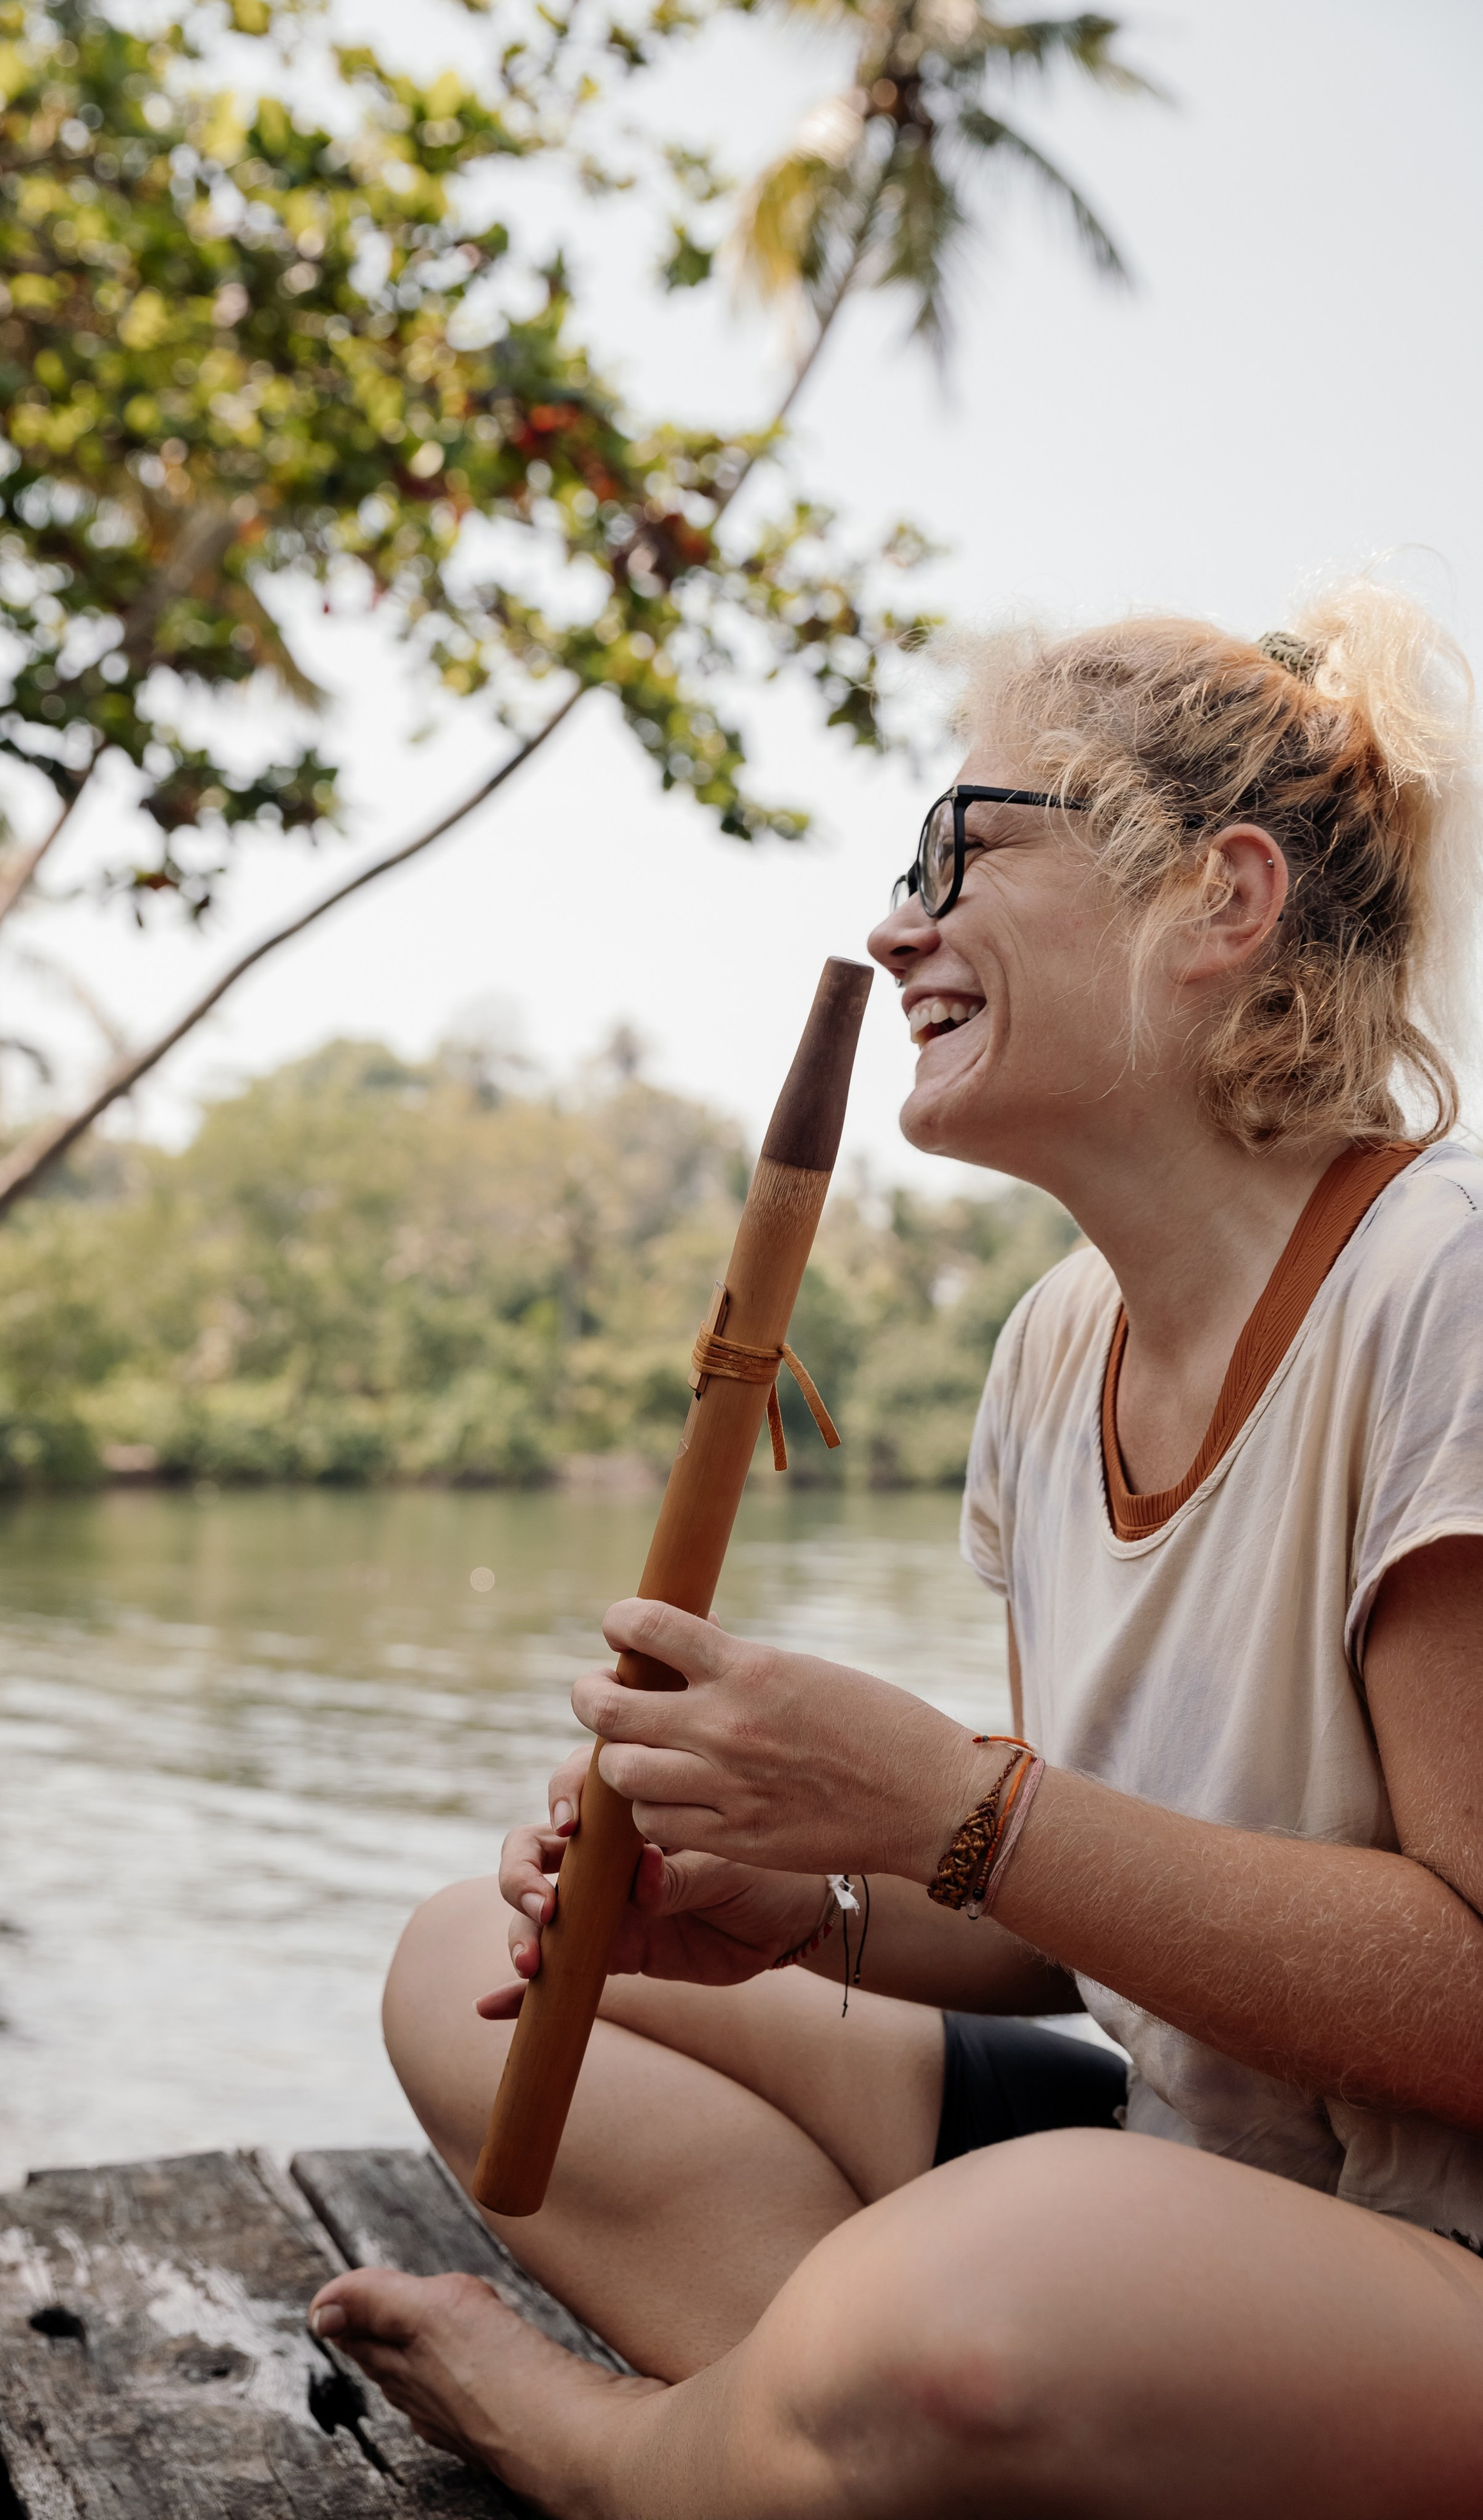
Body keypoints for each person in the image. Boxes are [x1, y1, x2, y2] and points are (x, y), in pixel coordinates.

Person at [310, 585, 1483, 2517]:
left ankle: (624, 2453)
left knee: (971, 2304)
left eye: (963, 848)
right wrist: (808, 1900)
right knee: (475, 1969)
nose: (896, 924)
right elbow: (1098, 1917)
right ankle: (832, 2437)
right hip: (1186, 2184)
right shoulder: (1055, 1348)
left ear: (1221, 899)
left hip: (1438, 2264)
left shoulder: (1441, 1295)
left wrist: (953, 1800)